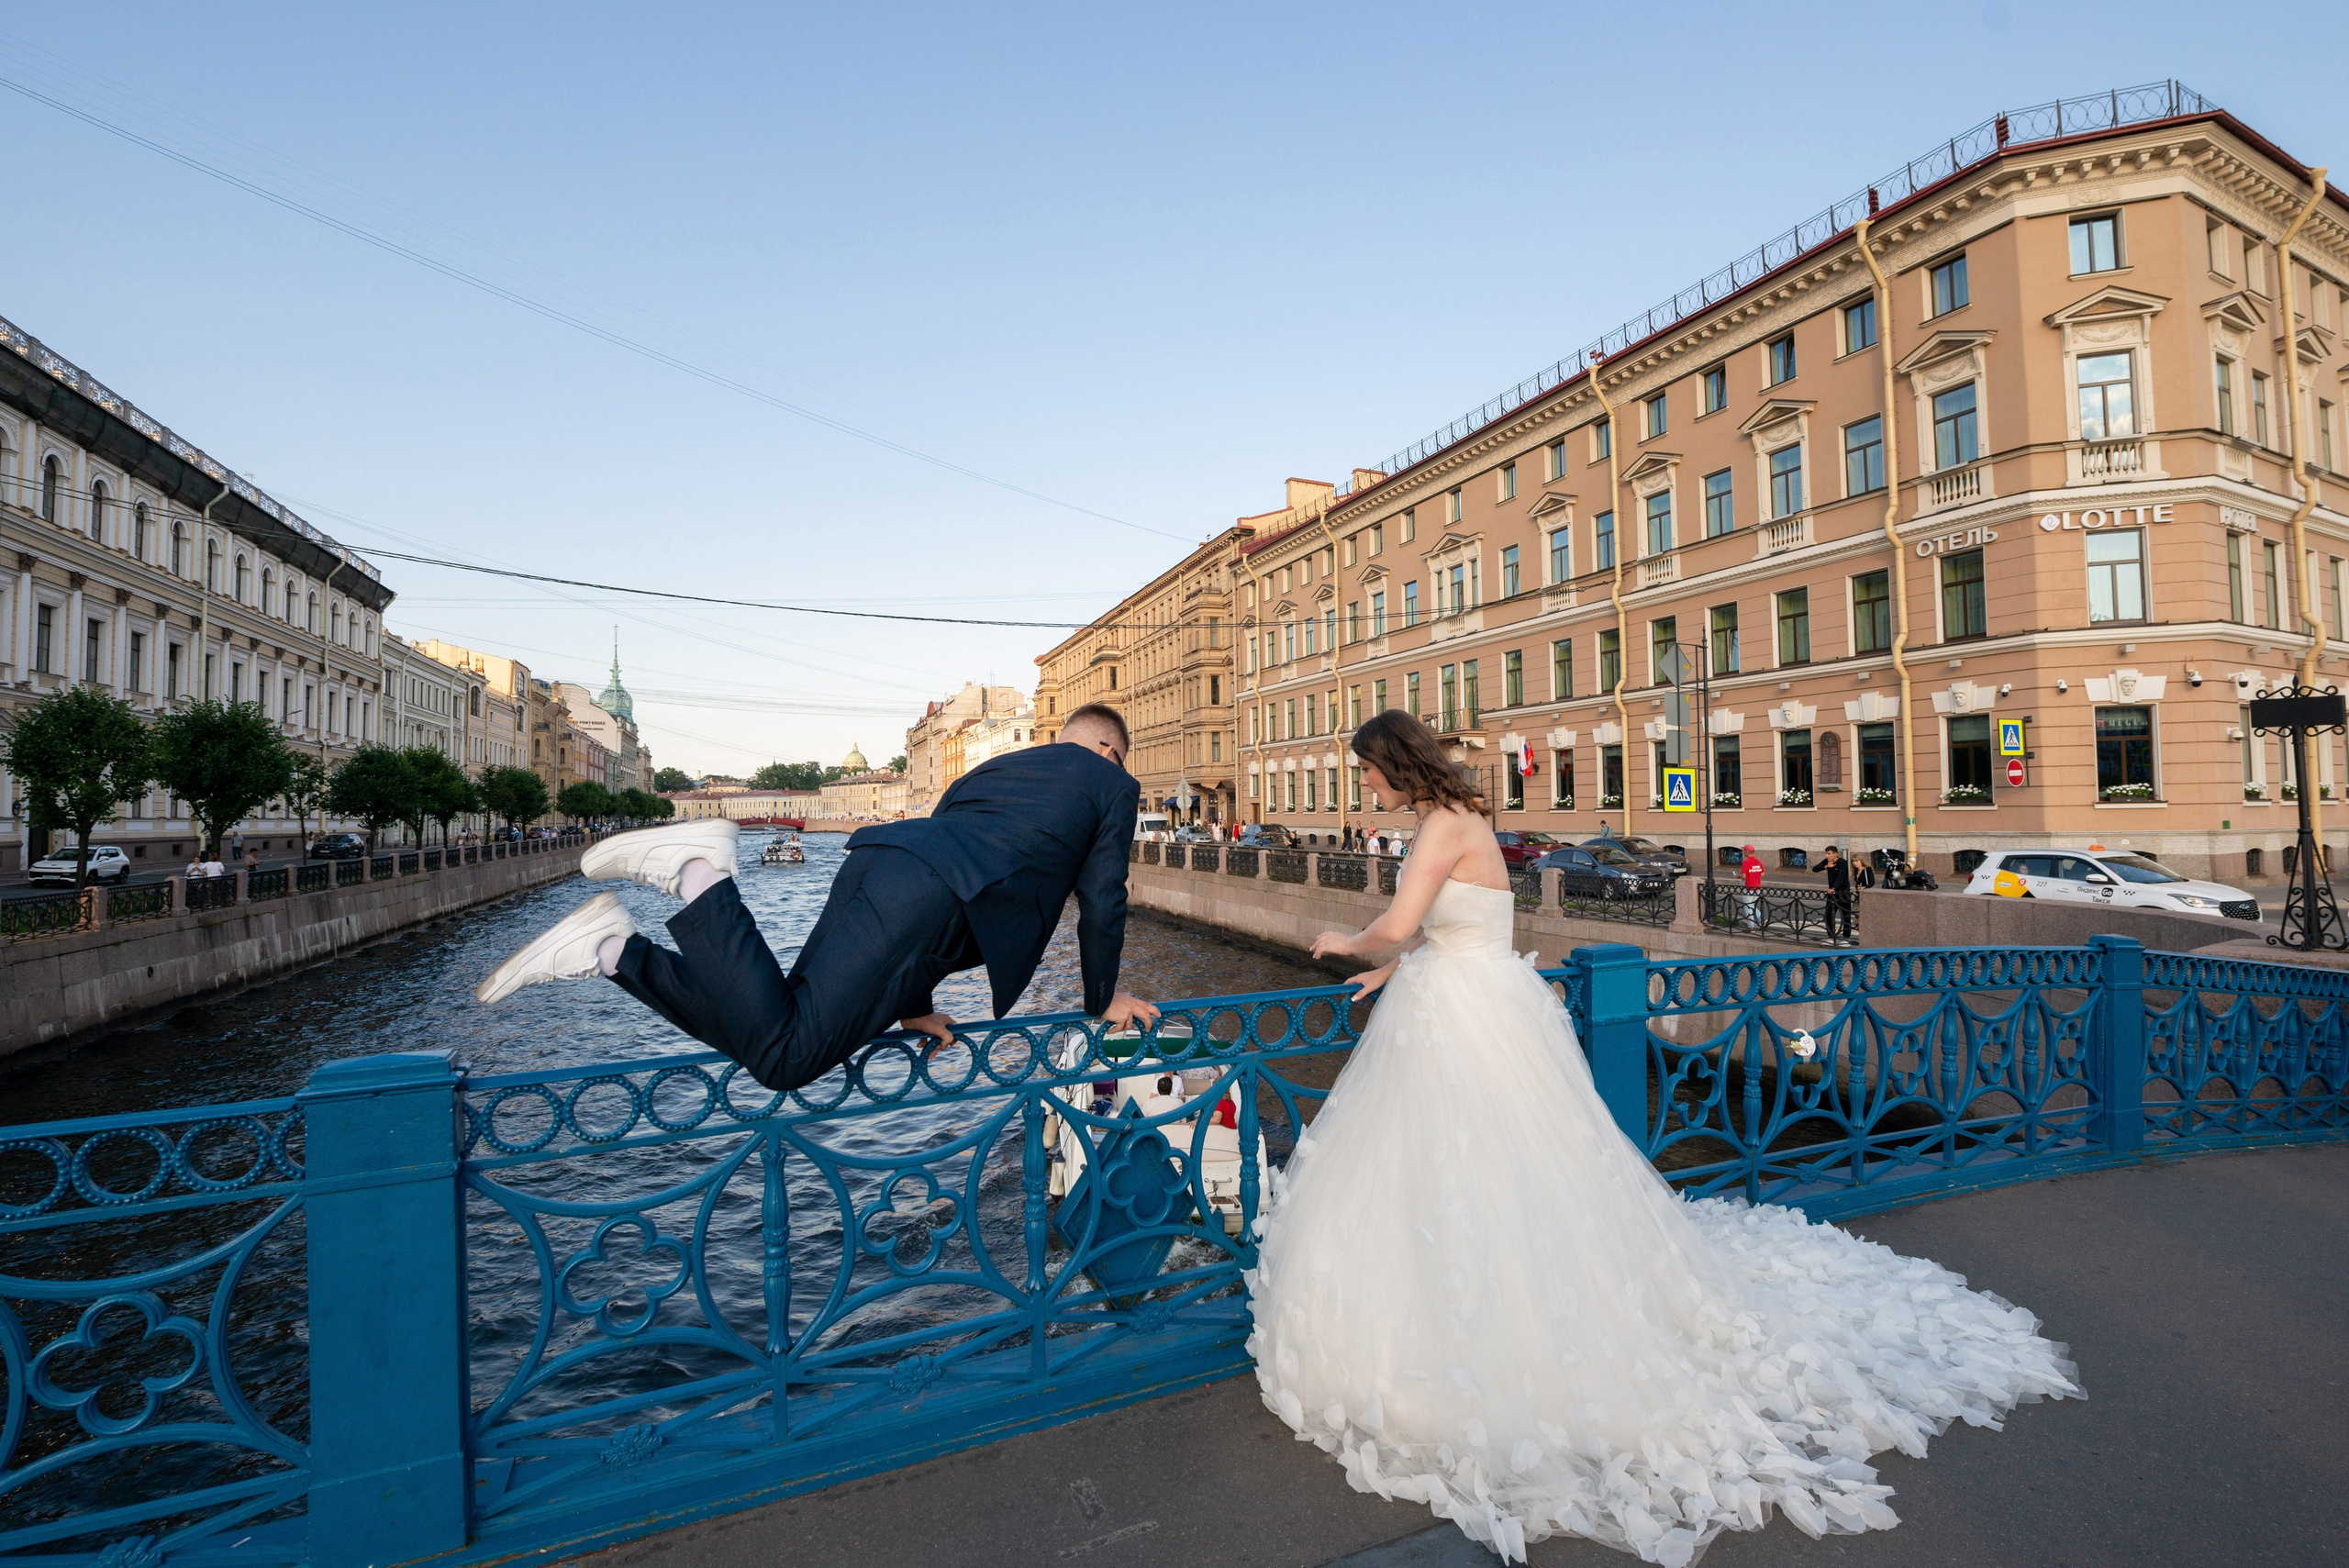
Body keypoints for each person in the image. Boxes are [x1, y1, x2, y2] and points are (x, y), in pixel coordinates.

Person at [1261, 710, 2079, 1564]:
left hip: (1460, 1017)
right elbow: (1453, 925)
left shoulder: (1438, 826)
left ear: (1394, 765)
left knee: (1460, 1169)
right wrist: (1391, 967)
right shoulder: (1468, 820)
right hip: (1476, 998)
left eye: (1365, 771)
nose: (1362, 784)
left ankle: (1472, 1332)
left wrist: (1347, 941)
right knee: (1514, 1168)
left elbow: (1399, 922)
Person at [474, 703, 1161, 1092]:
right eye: (1119, 757)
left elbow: (949, 848)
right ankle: (696, 877)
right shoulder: (1110, 783)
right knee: (786, 1056)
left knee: (776, 1023)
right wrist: (1100, 999)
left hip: (875, 861)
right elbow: (1105, 897)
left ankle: (612, 949)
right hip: (921, 907)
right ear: (1107, 747)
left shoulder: (1001, 766)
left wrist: (910, 1005)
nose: (1119, 770)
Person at [1819, 843, 1854, 945]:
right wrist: (1826, 866)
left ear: (1835, 854)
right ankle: (1831, 937)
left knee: (1845, 915)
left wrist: (1833, 888)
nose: (1827, 856)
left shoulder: (1842, 862)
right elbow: (1815, 868)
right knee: (1829, 915)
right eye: (1826, 854)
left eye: (1829, 854)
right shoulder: (1827, 861)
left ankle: (1846, 938)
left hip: (1843, 893)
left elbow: (1841, 877)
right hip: (1832, 894)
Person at [1739, 843, 1765, 929]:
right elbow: (1762, 874)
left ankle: (1751, 927)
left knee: (1748, 907)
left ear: (1747, 851)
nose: (1743, 852)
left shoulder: (1746, 862)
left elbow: (1743, 876)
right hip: (1757, 887)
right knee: (1752, 905)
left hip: (1748, 887)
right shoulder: (1758, 861)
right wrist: (1754, 874)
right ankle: (1762, 919)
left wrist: (1737, 876)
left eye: (1744, 850)